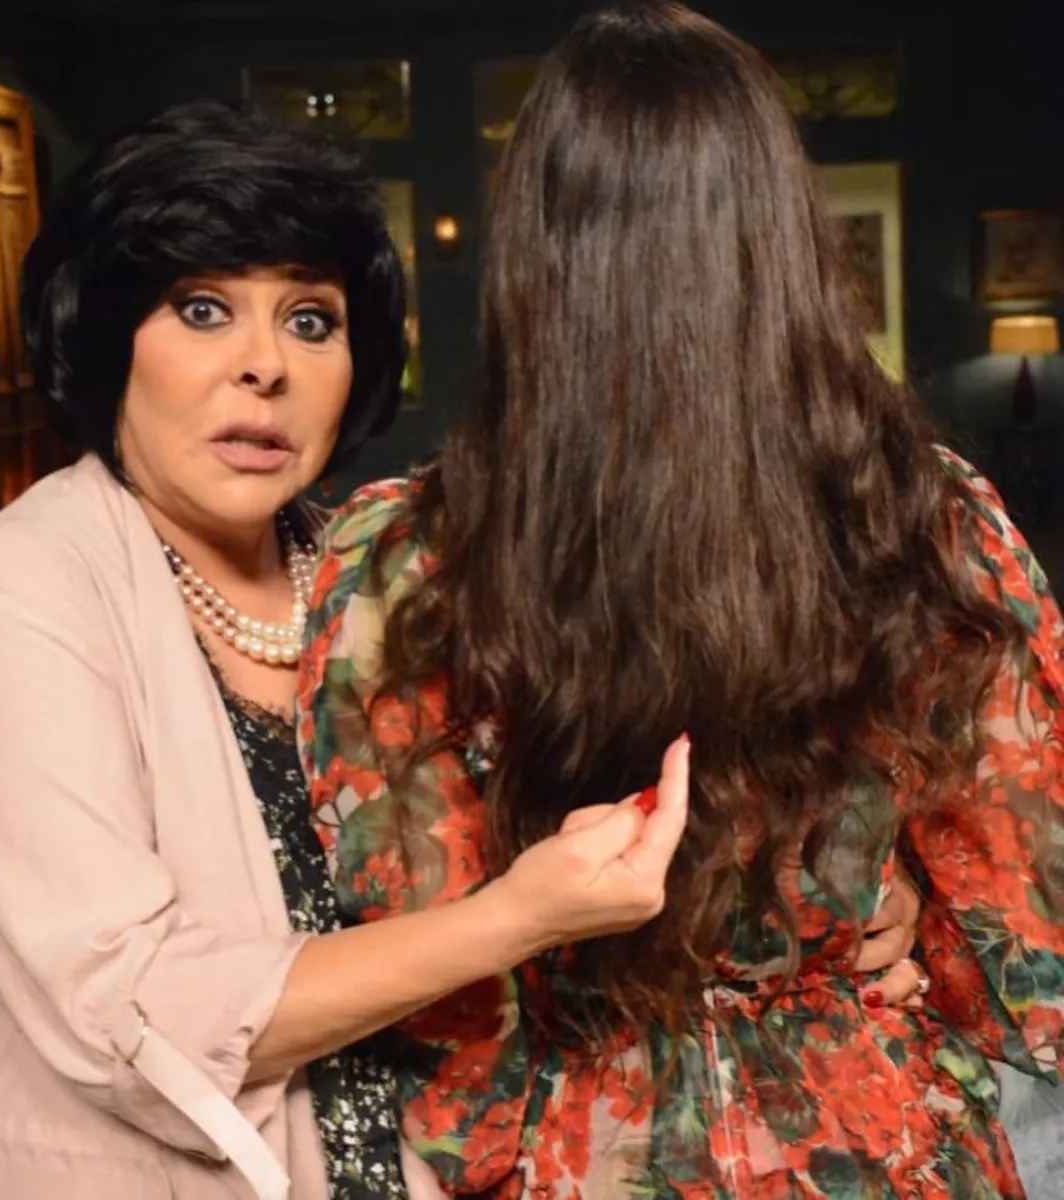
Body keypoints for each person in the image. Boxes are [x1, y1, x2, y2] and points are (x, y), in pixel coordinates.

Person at [297, 4, 1064, 1197]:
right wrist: (897, 917)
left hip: (587, 1134)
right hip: (873, 1129)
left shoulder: (408, 558)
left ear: (534, 258)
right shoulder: (928, 515)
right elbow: (1024, 908)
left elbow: (426, 973)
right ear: (785, 234)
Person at [0, 100, 697, 1200]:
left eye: (311, 320)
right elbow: (137, 1019)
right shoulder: (10, 591)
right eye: (203, 309)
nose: (265, 366)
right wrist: (515, 918)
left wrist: (877, 922)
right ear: (108, 335)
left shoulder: (382, 576)